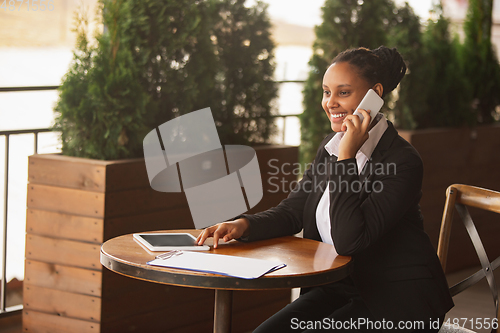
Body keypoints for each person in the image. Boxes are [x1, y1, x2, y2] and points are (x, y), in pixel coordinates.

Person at [197, 46, 454, 332]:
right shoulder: (330, 147)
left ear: (375, 95)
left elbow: (349, 240)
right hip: (338, 288)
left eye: (343, 92)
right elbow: (294, 210)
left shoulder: (402, 160)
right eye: (326, 92)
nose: (330, 102)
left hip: (397, 300)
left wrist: (346, 157)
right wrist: (243, 225)